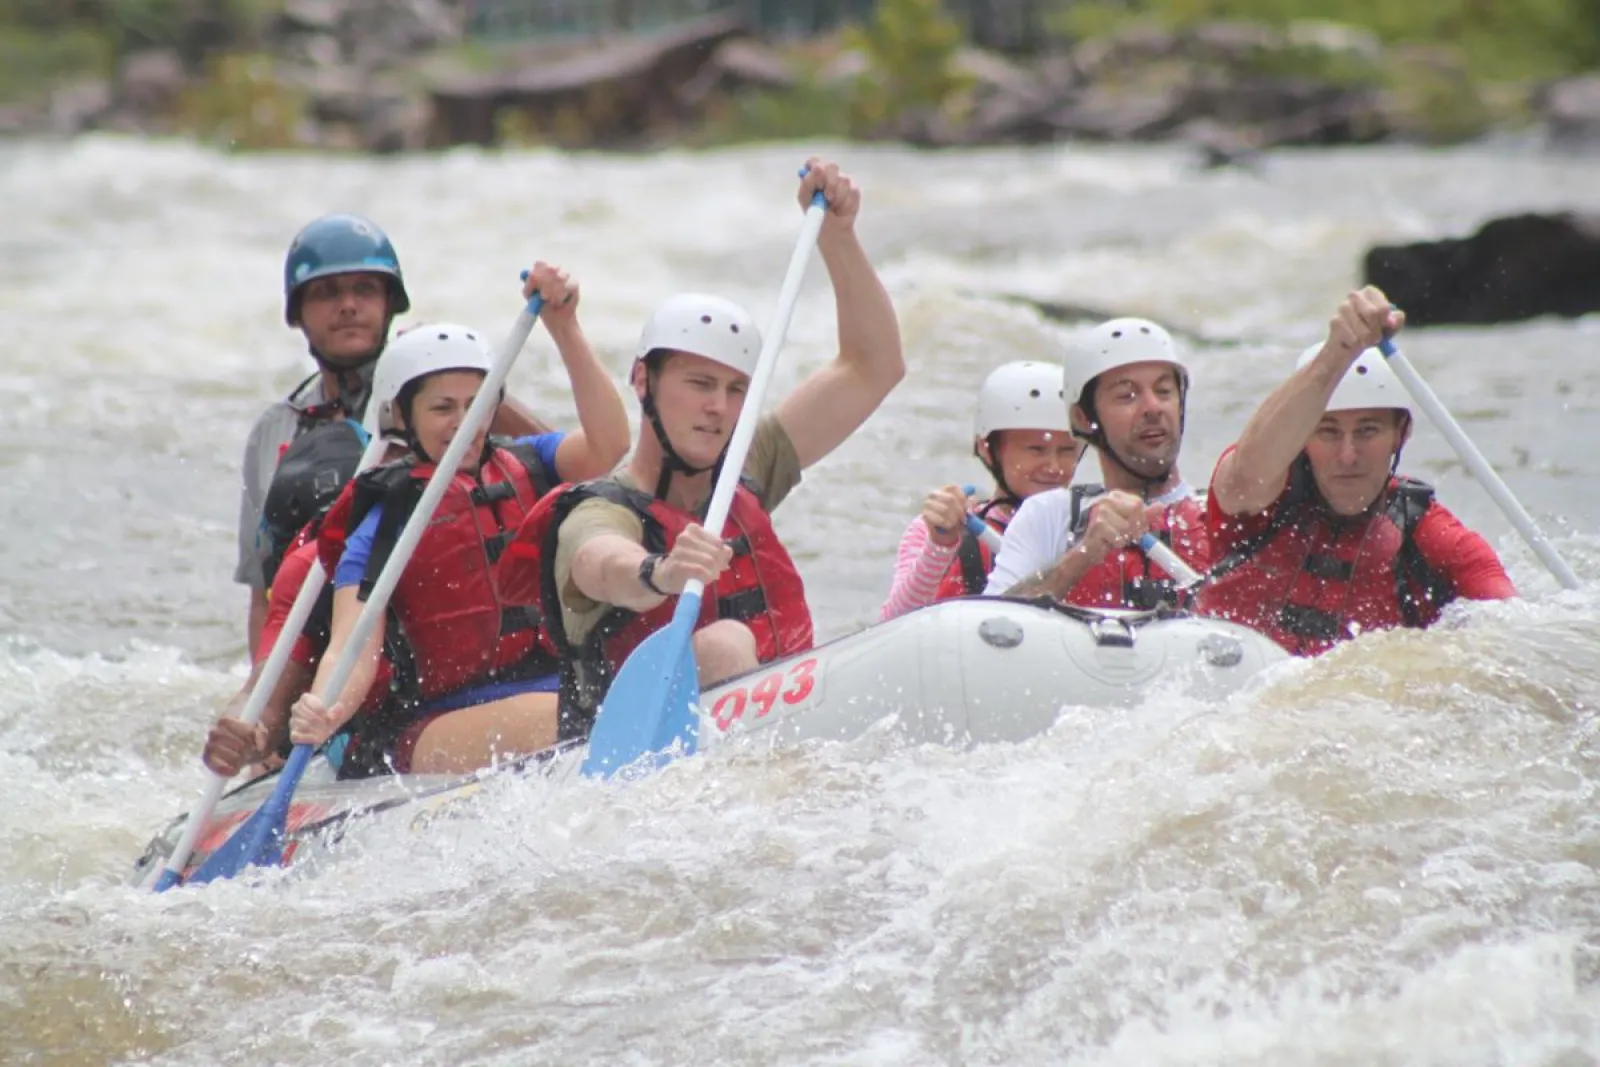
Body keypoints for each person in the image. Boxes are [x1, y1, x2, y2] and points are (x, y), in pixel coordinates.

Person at [499, 157, 905, 742]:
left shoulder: (743, 465)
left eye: (736, 389)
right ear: (643, 382)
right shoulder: (600, 509)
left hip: (772, 738)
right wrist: (658, 571)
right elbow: (600, 564)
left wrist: (839, 238)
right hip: (630, 760)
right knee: (723, 643)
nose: (719, 407)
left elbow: (873, 367)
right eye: (699, 385)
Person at [220, 265, 629, 778]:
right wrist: (326, 709)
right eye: (442, 408)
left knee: (610, 689)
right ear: (402, 417)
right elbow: (352, 646)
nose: (464, 422)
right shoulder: (382, 519)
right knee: (580, 712)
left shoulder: (531, 463)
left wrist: (565, 328)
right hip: (438, 724)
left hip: (550, 687)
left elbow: (610, 444)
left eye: (475, 404)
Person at [236, 214, 549, 658]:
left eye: (364, 289)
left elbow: (560, 475)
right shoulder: (274, 430)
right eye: (327, 292)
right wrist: (260, 685)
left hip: (420, 635)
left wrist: (468, 377)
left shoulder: (437, 397)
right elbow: (260, 589)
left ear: (388, 303)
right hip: (322, 627)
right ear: (298, 312)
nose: (347, 305)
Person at [1196, 287, 1515, 654]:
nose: (1348, 456)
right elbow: (1246, 473)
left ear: (1401, 434)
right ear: (1302, 438)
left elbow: (1512, 630)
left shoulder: (1433, 539)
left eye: (1368, 431)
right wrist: (1338, 353)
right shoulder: (1257, 503)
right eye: (1328, 432)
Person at [985, 316, 1210, 609]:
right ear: (1083, 417)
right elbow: (991, 621)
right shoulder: (1050, 515)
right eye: (1127, 395)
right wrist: (1084, 555)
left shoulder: (1216, 516)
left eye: (1164, 391)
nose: (1153, 408)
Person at [878, 361, 1079, 620]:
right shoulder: (942, 529)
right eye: (1036, 450)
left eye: (1067, 451)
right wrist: (940, 547)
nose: (1053, 467)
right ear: (987, 449)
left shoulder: (1091, 530)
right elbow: (894, 621)